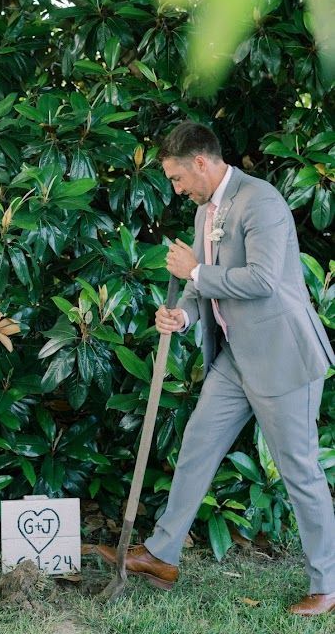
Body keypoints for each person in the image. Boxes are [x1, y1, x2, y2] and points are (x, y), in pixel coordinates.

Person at [98, 121, 335, 617]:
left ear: (202, 162)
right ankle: (162, 555)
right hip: (234, 360)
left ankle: (327, 584)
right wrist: (181, 314)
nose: (177, 189)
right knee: (196, 447)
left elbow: (264, 280)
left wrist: (195, 273)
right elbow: (198, 281)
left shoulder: (261, 201)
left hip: (282, 359)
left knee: (300, 473)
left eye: (179, 178)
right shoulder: (207, 209)